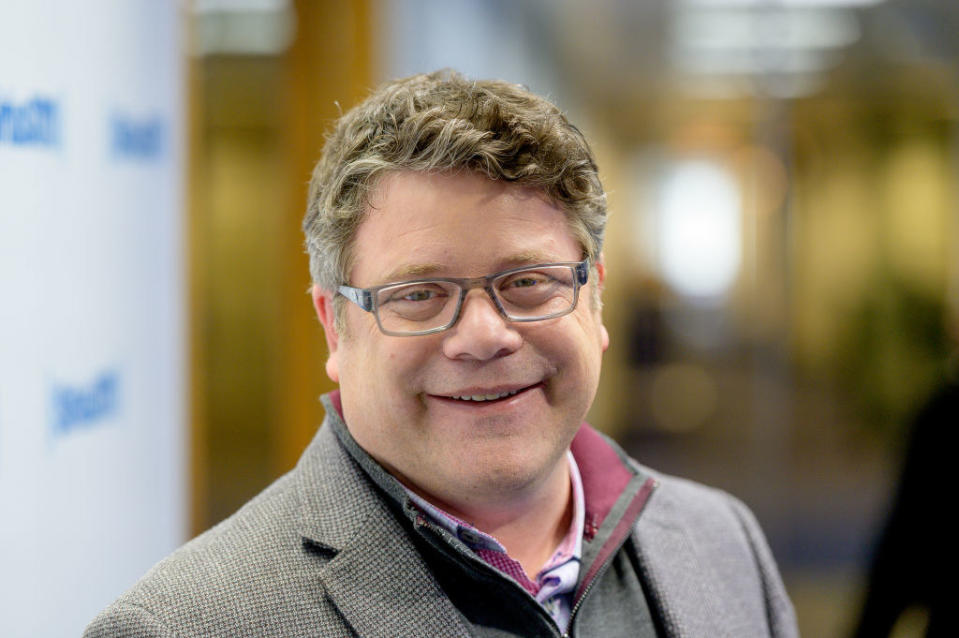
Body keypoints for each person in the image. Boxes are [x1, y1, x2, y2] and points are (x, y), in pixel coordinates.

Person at [85, 70, 798, 637]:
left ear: (595, 300)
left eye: (526, 283)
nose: (484, 335)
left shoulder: (721, 544)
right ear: (336, 327)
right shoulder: (183, 627)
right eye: (419, 294)